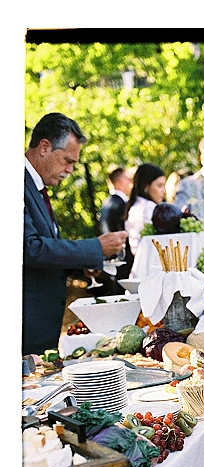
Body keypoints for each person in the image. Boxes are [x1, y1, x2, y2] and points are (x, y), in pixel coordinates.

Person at [23, 112, 128, 355]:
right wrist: (95, 248)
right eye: (67, 161)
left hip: (40, 327)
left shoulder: (37, 187)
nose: (70, 170)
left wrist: (81, 265)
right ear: (44, 147)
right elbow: (29, 248)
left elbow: (45, 249)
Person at [99, 165, 134, 278]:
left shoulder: (106, 203)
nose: (130, 182)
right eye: (127, 179)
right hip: (124, 261)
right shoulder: (121, 206)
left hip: (111, 261)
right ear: (119, 182)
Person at [124, 163, 166, 256]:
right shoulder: (148, 208)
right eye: (159, 186)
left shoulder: (135, 206)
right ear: (146, 187)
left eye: (164, 185)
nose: (164, 190)